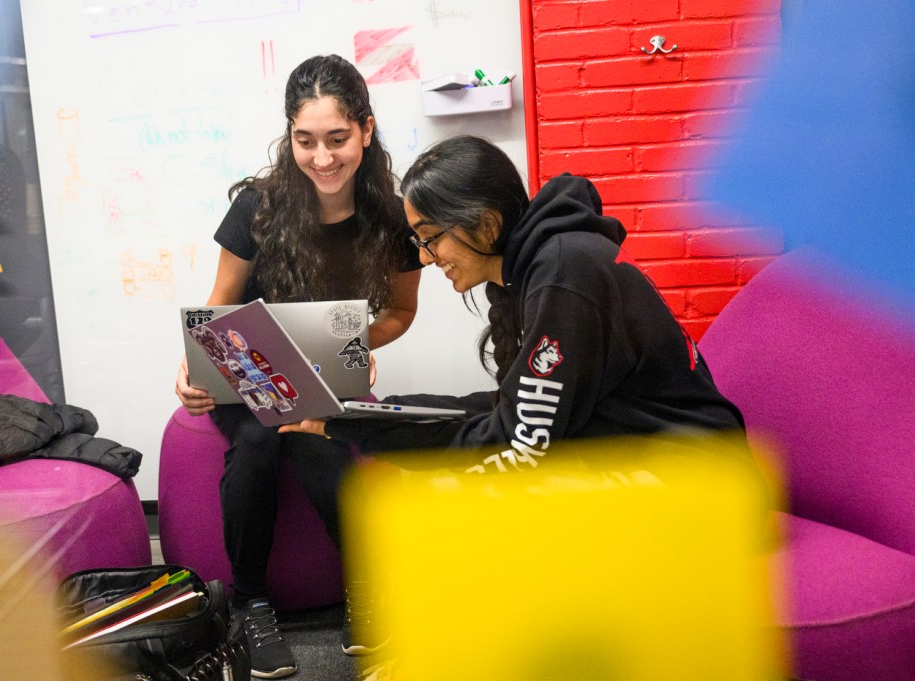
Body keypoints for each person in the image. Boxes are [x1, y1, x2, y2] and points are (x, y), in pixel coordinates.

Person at [279, 134, 747, 471]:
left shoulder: (564, 273)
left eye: (430, 239)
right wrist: (353, 418)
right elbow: (505, 411)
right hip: (651, 465)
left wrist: (371, 435)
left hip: (701, 485)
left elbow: (520, 444)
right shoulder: (532, 272)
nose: (425, 257)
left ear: (485, 226)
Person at [175, 54, 422, 679]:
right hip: (251, 377)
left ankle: (364, 595)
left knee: (319, 444)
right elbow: (219, 306)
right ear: (289, 136)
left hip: (326, 379)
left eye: (337, 139)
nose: (322, 157)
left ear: (366, 129)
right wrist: (190, 369)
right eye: (305, 140)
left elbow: (398, 312)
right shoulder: (258, 206)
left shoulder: (392, 218)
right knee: (259, 441)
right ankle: (254, 606)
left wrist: (354, 351)